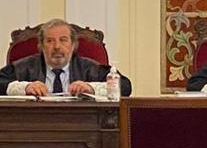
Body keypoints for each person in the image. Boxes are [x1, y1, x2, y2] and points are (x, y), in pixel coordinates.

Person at [0, 19, 131, 97]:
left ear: (73, 45)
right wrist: (25, 87)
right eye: (50, 41)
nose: (57, 46)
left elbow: (125, 87)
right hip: (33, 127)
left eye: (63, 40)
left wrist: (91, 88)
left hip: (82, 127)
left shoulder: (90, 68)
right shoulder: (24, 67)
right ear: (41, 45)